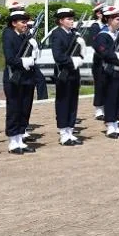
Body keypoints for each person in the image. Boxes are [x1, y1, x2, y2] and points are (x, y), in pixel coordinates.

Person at [2, 10, 38, 155]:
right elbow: (10, 58)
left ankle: (20, 138)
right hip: (13, 79)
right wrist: (24, 61)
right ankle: (13, 141)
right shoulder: (8, 35)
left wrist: (34, 49)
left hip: (27, 78)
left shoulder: (26, 36)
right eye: (23, 22)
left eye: (26, 22)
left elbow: (32, 54)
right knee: (14, 110)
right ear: (13, 23)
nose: (26, 25)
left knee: (25, 109)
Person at [93, 6, 119, 137]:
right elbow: (104, 52)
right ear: (109, 20)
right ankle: (110, 126)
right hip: (109, 73)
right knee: (111, 99)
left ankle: (116, 124)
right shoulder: (102, 35)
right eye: (117, 19)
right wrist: (118, 55)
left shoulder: (118, 35)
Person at [51, 8, 85, 145]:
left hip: (74, 74)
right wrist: (73, 61)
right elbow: (58, 56)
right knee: (63, 103)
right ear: (61, 21)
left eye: (72, 19)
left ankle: (70, 130)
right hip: (63, 74)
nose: (72, 21)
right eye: (68, 19)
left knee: (73, 103)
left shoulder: (74, 34)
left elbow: (78, 52)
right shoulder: (57, 34)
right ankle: (63, 133)